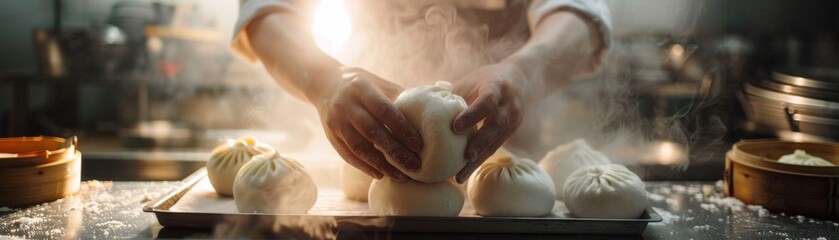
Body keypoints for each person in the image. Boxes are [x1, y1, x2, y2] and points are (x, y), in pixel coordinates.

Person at [232, 0, 611, 184]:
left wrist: (524, 74)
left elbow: (579, 12)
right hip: (365, 139)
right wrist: (324, 80)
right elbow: (266, 11)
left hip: (504, 148)